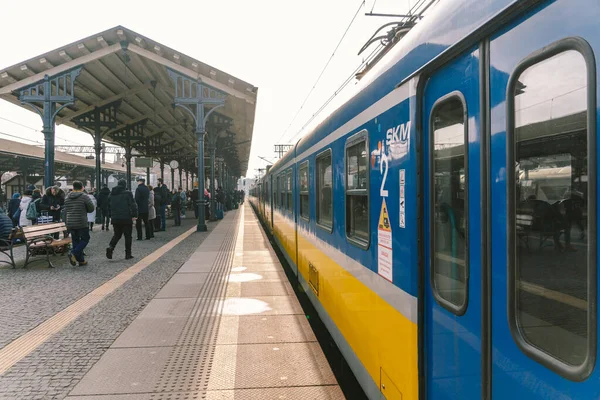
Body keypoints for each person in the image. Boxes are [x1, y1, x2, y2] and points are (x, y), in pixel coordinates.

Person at [64, 181, 95, 266]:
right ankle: (73, 253)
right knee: (85, 239)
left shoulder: (67, 197)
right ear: (82, 188)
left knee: (75, 240)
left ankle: (81, 260)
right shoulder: (84, 197)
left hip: (70, 222)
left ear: (73, 188)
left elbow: (66, 209)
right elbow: (91, 208)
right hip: (81, 222)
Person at [106, 179, 138, 260]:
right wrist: (134, 215)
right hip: (126, 218)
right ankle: (128, 254)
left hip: (115, 218)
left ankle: (110, 247)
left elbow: (108, 207)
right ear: (125, 185)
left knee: (117, 235)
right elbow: (133, 205)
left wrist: (111, 216)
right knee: (128, 236)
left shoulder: (111, 194)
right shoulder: (128, 193)